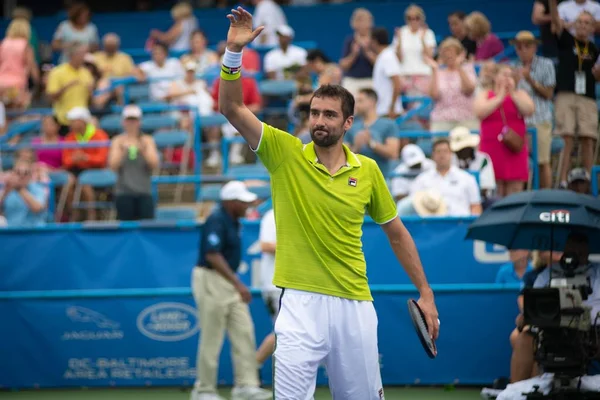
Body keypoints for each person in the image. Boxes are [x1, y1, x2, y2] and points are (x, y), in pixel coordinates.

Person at [218, 8, 439, 398]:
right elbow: (232, 108)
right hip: (299, 304)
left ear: (348, 123)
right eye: (315, 112)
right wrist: (233, 53)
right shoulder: (284, 152)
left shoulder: (368, 170)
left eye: (329, 114)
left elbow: (398, 234)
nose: (319, 120)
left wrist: (426, 293)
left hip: (355, 304)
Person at [190, 180, 271, 400]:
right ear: (230, 202)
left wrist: (234, 284)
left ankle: (246, 385)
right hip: (211, 280)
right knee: (212, 336)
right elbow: (212, 255)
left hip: (228, 282)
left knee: (244, 331)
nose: (247, 206)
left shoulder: (233, 219)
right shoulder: (216, 219)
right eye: (242, 202)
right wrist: (238, 284)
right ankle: (204, 390)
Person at [549, 0, 600, 187]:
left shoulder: (594, 50)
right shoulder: (566, 41)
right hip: (566, 93)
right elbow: (555, 23)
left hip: (587, 96)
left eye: (587, 23)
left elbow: (597, 76)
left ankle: (588, 180)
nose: (583, 25)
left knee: (588, 137)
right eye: (580, 22)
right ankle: (562, 180)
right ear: (574, 25)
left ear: (593, 27)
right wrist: (552, 4)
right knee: (566, 136)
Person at [474, 65, 535, 197]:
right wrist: (500, 97)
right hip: (491, 148)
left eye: (510, 75)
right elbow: (479, 112)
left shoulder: (520, 94)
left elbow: (529, 110)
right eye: (504, 74)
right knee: (494, 188)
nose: (507, 78)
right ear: (495, 77)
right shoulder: (486, 94)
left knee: (515, 190)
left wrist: (512, 94)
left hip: (514, 147)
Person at [512, 31, 556, 190]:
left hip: (540, 119)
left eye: (526, 46)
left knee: (543, 161)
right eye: (519, 47)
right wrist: (514, 83)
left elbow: (549, 94)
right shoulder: (513, 67)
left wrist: (530, 79)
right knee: (518, 161)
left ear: (534, 47)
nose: (522, 50)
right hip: (519, 122)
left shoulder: (546, 64)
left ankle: (547, 196)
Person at [108, 105, 160, 221]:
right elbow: (113, 166)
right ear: (123, 122)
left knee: (146, 229)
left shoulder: (147, 140)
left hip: (144, 192)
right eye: (129, 120)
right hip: (124, 193)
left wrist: (142, 149)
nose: (131, 124)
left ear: (139, 122)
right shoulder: (118, 141)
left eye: (134, 120)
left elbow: (154, 164)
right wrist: (123, 151)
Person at [345, 88, 400, 175]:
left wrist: (371, 144)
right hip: (356, 178)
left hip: (382, 176)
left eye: (360, 101)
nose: (356, 105)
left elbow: (393, 153)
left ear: (372, 102)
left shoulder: (389, 124)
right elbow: (343, 157)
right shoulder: (351, 125)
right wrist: (356, 147)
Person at [255, 208, 279, 374]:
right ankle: (251, 370)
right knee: (283, 332)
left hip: (291, 286)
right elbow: (265, 245)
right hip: (275, 286)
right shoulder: (272, 216)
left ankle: (251, 369)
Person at [0, 158, 48, 227]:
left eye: (26, 173)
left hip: (34, 232)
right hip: (11, 232)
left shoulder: (38, 189)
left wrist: (19, 189)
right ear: (12, 174)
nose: (21, 176)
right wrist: (5, 192)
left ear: (30, 175)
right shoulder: (7, 189)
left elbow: (38, 208)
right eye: (18, 172)